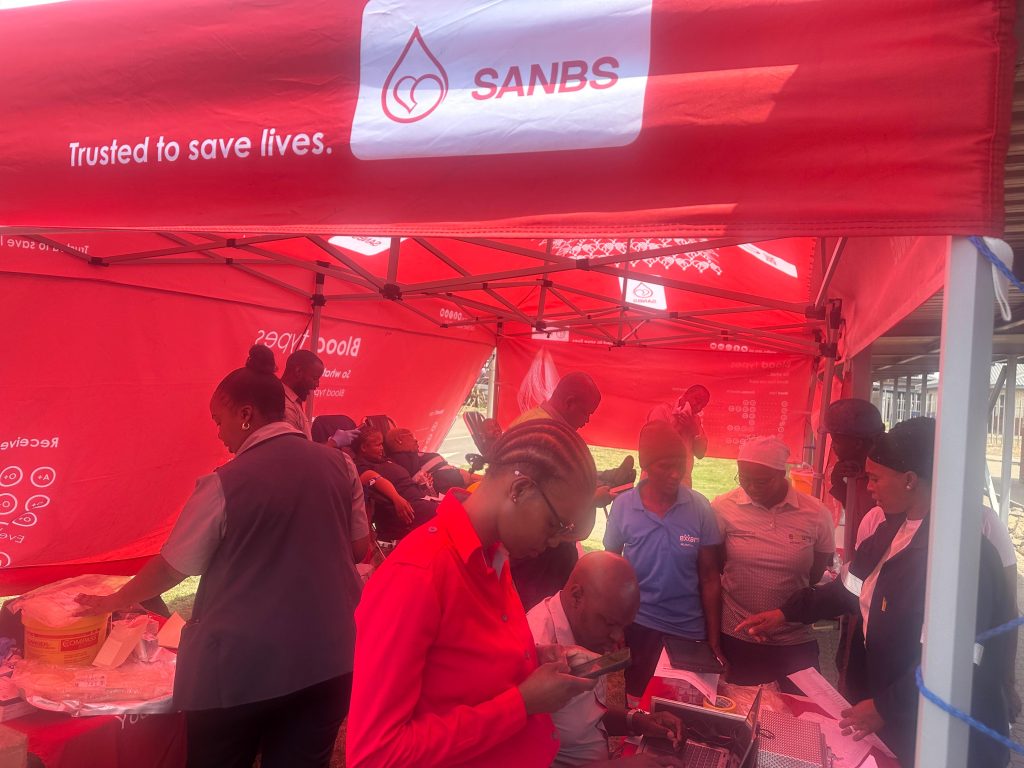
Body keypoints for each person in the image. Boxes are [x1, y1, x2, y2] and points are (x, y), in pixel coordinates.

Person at [76, 346, 367, 768]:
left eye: (219, 420)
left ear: (246, 414)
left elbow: (173, 567)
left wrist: (113, 601)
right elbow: (357, 548)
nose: (218, 433)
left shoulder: (224, 483)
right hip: (334, 654)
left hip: (243, 668)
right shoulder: (341, 464)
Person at [736, 418, 1013, 767]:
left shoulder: (961, 555)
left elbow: (957, 661)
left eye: (876, 478)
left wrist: (886, 706)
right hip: (899, 715)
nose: (868, 488)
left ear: (910, 480)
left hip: (944, 732)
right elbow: (848, 590)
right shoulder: (891, 530)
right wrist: (785, 613)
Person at [346, 419, 603, 768]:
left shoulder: (492, 554)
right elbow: (375, 756)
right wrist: (522, 704)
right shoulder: (417, 575)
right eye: (555, 524)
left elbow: (461, 664)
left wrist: (535, 657)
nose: (557, 541)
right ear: (520, 490)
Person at [527, 552, 687, 767]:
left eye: (624, 626)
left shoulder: (591, 636)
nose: (618, 637)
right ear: (576, 596)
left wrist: (637, 721)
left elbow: (588, 718)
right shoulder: (534, 648)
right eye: (610, 623)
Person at [604, 420, 724, 702]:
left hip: (687, 631)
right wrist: (614, 626)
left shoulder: (699, 507)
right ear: (646, 466)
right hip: (638, 627)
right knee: (637, 704)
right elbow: (610, 569)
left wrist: (714, 642)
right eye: (665, 466)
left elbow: (710, 577)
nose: (675, 474)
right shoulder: (623, 506)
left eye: (680, 465)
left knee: (680, 708)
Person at [711, 436, 835, 688]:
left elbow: (814, 573)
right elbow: (715, 565)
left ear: (782, 474)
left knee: (801, 707)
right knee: (739, 704)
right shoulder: (723, 507)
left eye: (762, 481)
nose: (751, 487)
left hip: (793, 636)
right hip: (737, 632)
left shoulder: (816, 513)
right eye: (744, 478)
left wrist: (785, 609)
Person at [509, 372, 608, 611]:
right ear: (569, 402)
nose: (587, 421)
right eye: (586, 412)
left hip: (529, 550)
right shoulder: (545, 432)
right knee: (535, 614)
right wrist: (590, 500)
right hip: (534, 556)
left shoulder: (535, 420)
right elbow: (535, 502)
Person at [353, 428, 438, 541]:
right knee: (448, 512)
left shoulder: (383, 460)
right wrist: (396, 498)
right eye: (378, 445)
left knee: (453, 503)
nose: (382, 448)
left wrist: (420, 483)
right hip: (406, 509)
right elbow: (372, 477)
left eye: (382, 444)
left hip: (420, 500)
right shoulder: (361, 466)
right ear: (364, 447)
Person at [384, 427, 481, 494]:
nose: (416, 440)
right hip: (457, 487)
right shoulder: (403, 459)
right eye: (411, 436)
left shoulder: (412, 456)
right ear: (399, 439)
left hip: (463, 480)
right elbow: (420, 481)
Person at [647, 385, 710, 488]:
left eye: (702, 406)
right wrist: (680, 425)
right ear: (686, 395)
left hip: (682, 481)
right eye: (697, 401)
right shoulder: (662, 411)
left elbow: (700, 453)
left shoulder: (696, 420)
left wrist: (694, 431)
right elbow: (657, 445)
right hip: (657, 479)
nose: (698, 408)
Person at [280, 349, 325, 438]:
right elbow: (292, 446)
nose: (317, 384)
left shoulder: (293, 400)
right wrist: (333, 443)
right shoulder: (284, 405)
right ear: (298, 371)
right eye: (315, 378)